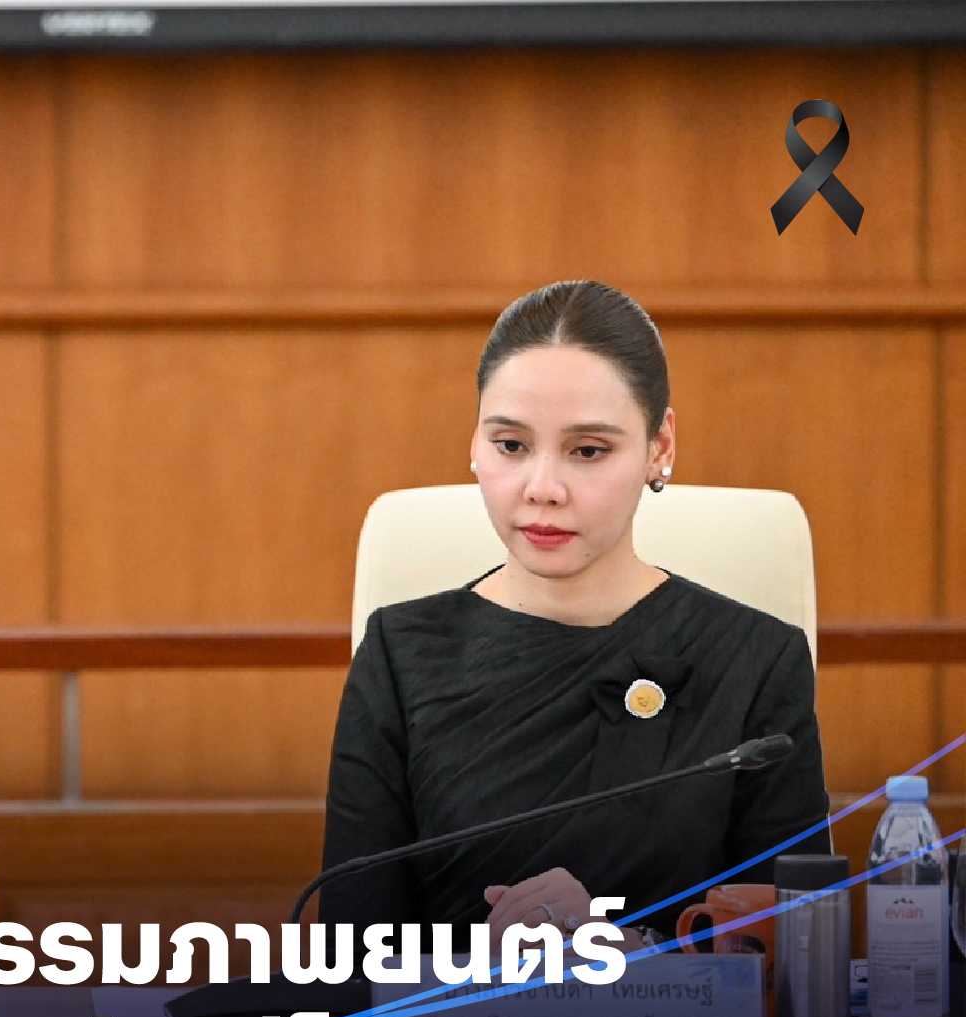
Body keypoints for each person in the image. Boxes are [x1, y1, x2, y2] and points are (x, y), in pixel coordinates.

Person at [321, 279, 832, 953]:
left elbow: (799, 953)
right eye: (511, 445)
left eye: (588, 451)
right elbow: (350, 958)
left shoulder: (757, 660)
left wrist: (630, 952)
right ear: (475, 444)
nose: (543, 489)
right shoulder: (399, 654)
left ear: (659, 446)